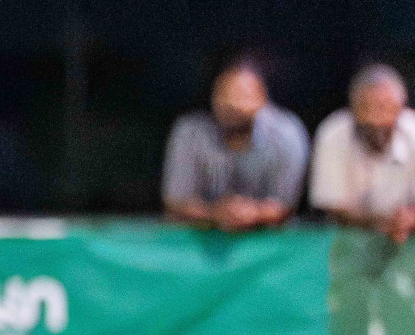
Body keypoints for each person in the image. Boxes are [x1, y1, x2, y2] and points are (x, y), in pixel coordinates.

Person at [162, 52, 309, 231]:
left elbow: (286, 204)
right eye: (223, 94)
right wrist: (216, 213)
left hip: (272, 238)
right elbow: (175, 201)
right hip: (202, 235)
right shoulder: (190, 132)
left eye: (242, 95)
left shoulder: (286, 133)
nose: (231, 103)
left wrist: (254, 213)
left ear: (262, 98)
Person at [311, 63, 415, 245]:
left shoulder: (412, 131)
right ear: (353, 108)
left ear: (401, 106)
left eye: (386, 107)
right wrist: (385, 223)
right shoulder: (333, 133)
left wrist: (408, 219)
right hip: (348, 238)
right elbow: (333, 207)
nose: (377, 119)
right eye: (368, 107)